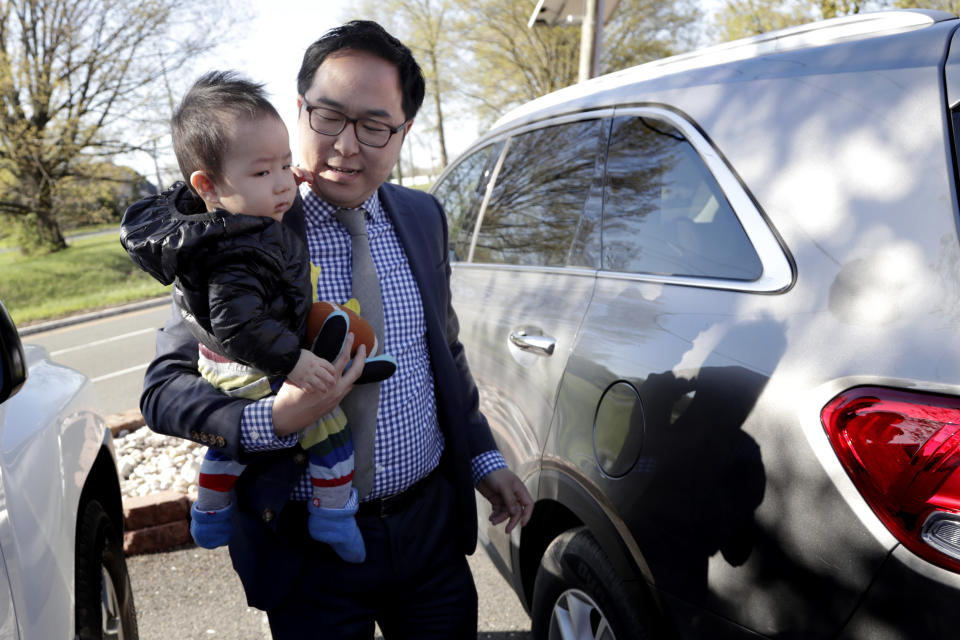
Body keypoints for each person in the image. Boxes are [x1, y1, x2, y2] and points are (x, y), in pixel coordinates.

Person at [138, 20, 534, 639]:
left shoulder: (422, 215)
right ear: (300, 111)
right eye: (328, 117)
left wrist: (484, 459)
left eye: (375, 126)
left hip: (428, 530)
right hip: (302, 551)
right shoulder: (242, 226)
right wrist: (270, 422)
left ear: (403, 132)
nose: (347, 146)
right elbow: (163, 388)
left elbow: (444, 354)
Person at [121, 71, 395, 563]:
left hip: (428, 525)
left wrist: (285, 177)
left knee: (226, 460)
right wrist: (285, 383)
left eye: (286, 166)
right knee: (327, 431)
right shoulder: (224, 250)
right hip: (249, 369)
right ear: (206, 186)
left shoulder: (253, 217)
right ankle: (332, 516)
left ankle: (209, 510)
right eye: (263, 172)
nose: (284, 183)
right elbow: (229, 333)